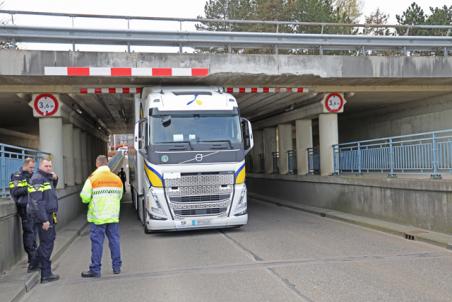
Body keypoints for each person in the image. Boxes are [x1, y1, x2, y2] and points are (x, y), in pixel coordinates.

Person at [80, 155, 123, 278]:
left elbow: (84, 197)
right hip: (113, 216)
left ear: (97, 164)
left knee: (97, 243)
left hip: (98, 216)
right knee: (114, 241)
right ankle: (117, 267)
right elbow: (120, 195)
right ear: (107, 164)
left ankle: (95, 269)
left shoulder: (92, 178)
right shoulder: (116, 179)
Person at [27, 157, 59, 283]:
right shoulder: (37, 179)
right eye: (46, 166)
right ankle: (46, 273)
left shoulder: (46, 178)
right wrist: (44, 220)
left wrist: (55, 179)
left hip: (48, 215)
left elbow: (50, 192)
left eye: (50, 166)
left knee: (48, 241)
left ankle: (35, 264)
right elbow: (37, 201)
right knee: (47, 243)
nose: (49, 168)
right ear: (40, 166)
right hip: (43, 216)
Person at [9, 157, 38, 273]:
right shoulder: (17, 176)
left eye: (33, 167)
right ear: (25, 165)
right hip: (24, 209)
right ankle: (32, 261)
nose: (32, 170)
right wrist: (29, 188)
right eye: (31, 167)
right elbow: (14, 192)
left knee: (33, 234)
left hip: (33, 209)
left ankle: (35, 259)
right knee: (29, 234)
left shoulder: (32, 176)